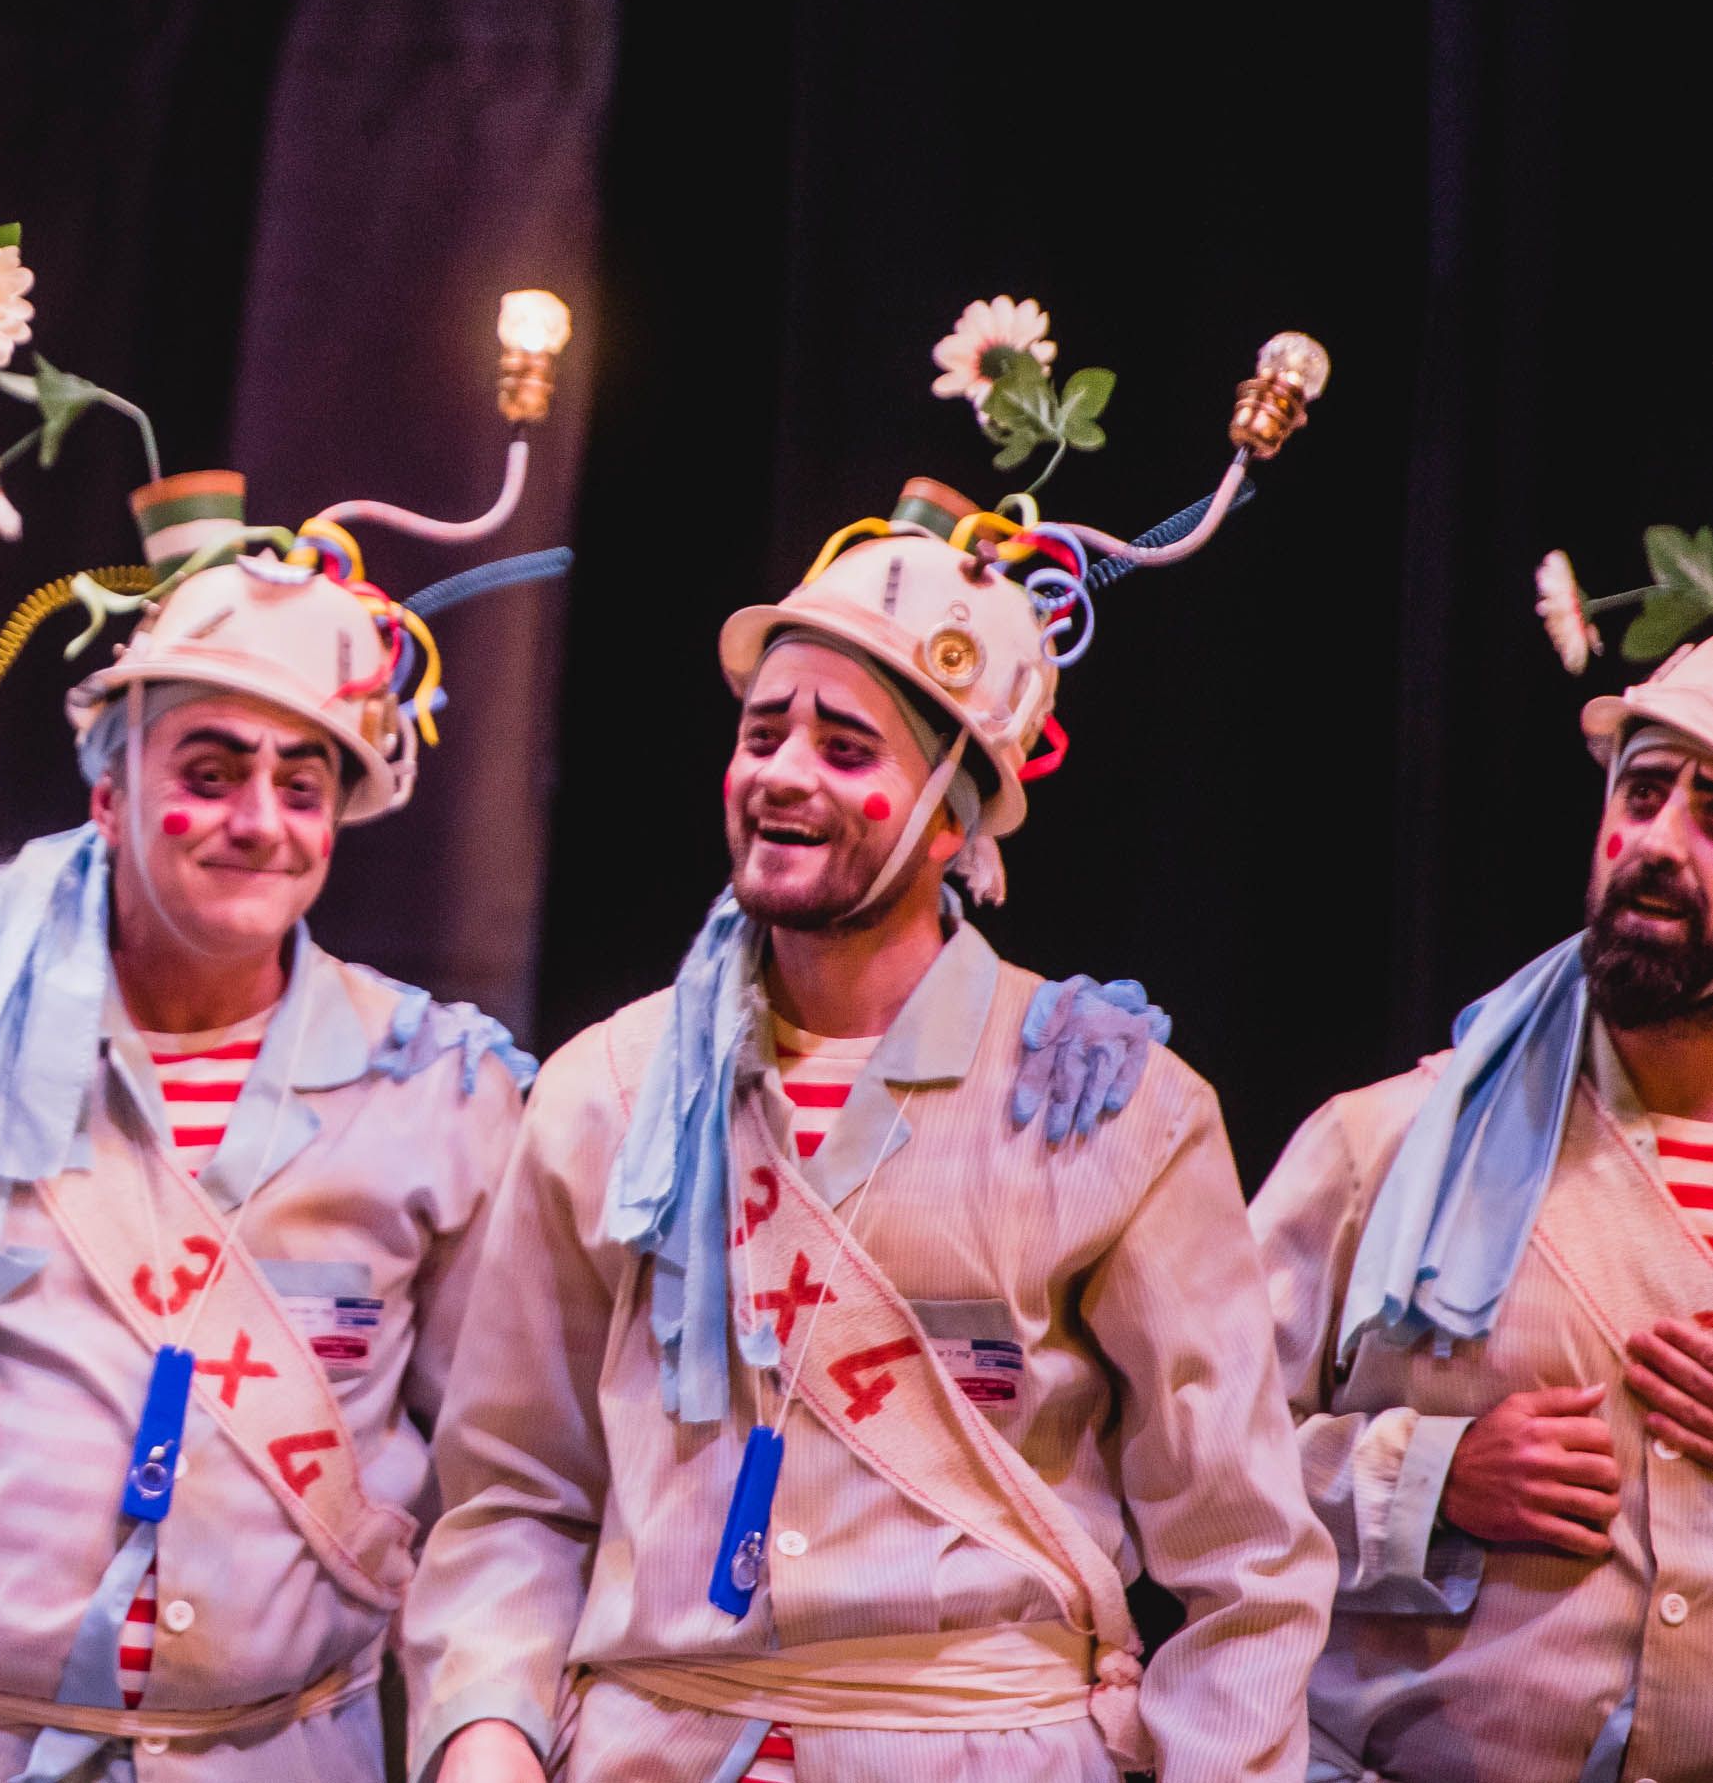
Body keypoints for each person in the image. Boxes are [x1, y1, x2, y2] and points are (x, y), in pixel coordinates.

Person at [404, 479, 1331, 1783]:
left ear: (953, 817)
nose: (782, 774)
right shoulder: (603, 1093)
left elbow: (1245, 1557)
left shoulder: (1109, 1109)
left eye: (846, 750)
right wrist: (486, 1732)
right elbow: (514, 1496)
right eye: (762, 733)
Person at [0, 472, 533, 1782]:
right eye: (210, 772)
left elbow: (506, 1486)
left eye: (302, 785)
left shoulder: (438, 1090)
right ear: (108, 792)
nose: (258, 822)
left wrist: (488, 1730)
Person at [1256, 636, 1713, 1780]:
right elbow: (1190, 1471)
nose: (1658, 843)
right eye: (1642, 794)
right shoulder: (1384, 1146)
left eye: (1712, 812)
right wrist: (1426, 1476)